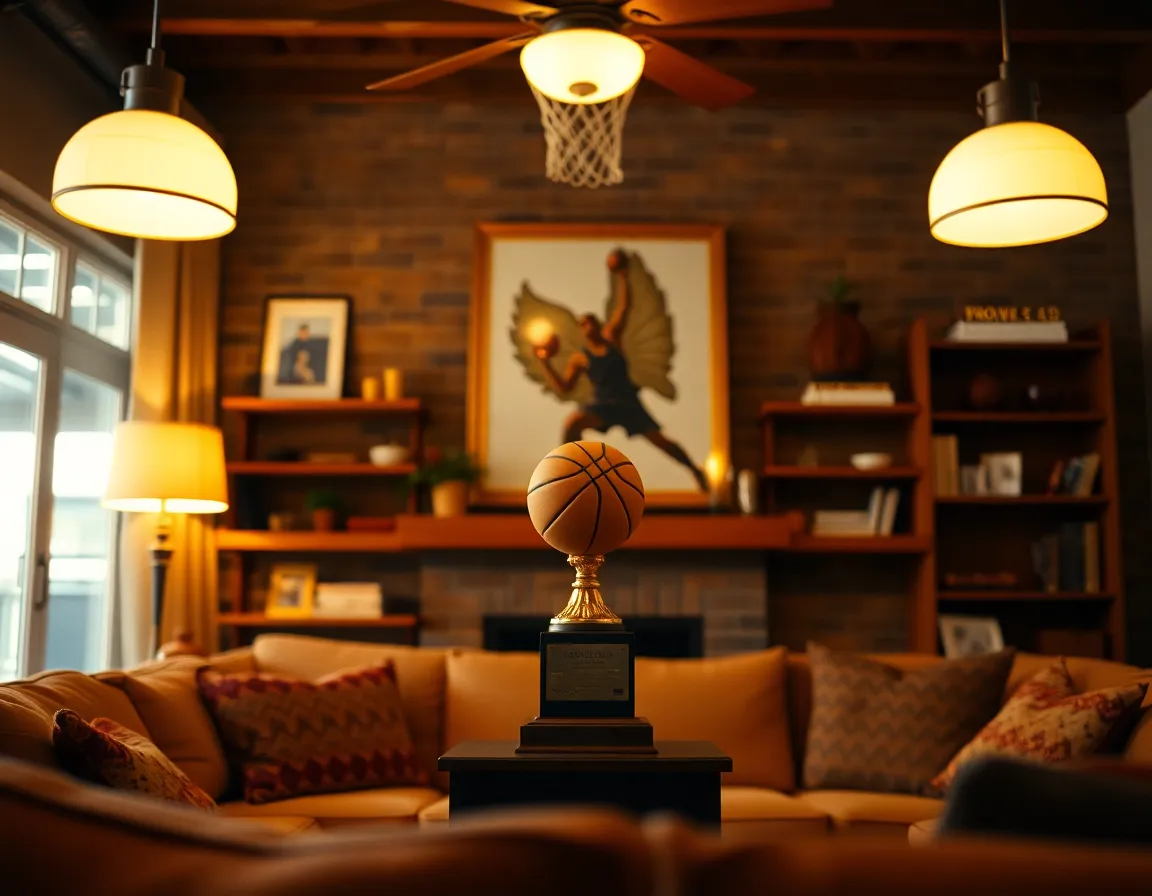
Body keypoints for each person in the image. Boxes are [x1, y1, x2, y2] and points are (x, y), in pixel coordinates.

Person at [534, 250, 709, 492]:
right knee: (572, 423)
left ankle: (695, 470)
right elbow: (564, 388)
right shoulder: (580, 358)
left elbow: (623, 307)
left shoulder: (612, 339)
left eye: (592, 321)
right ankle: (570, 474)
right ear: (581, 330)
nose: (589, 325)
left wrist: (623, 276)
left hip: (627, 402)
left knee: (661, 442)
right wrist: (544, 362)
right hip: (602, 404)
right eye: (584, 323)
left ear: (598, 325)